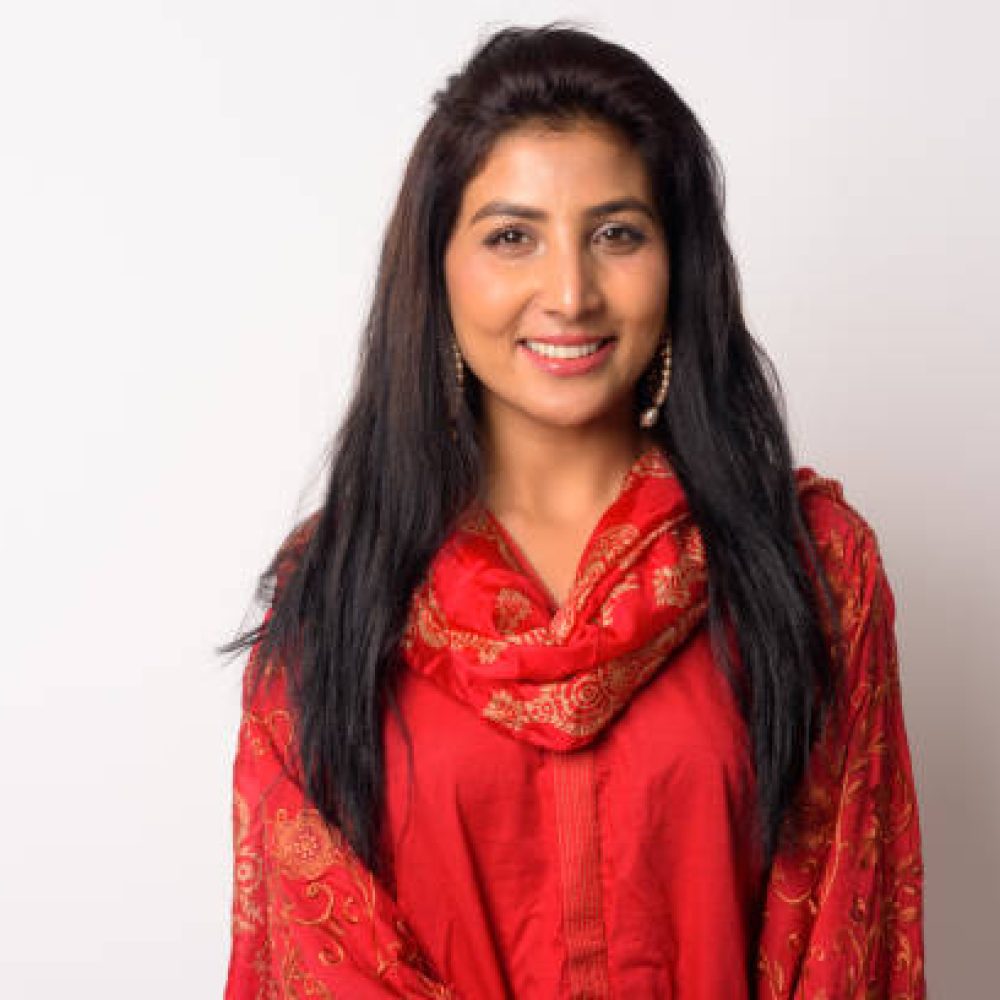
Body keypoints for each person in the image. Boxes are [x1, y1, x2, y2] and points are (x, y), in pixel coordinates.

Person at [220, 23, 925, 999]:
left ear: (679, 263)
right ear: (438, 271)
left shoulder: (809, 568)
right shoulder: (337, 589)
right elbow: (317, 959)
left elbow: (849, 948)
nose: (569, 291)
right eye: (513, 235)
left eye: (617, 233)